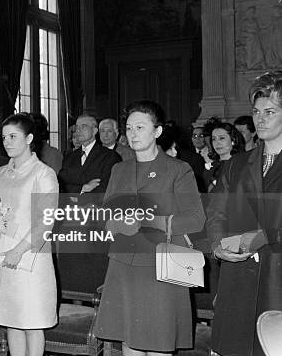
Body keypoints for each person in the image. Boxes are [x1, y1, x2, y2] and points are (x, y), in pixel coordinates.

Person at [94, 100, 205, 355]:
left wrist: (149, 220)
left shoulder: (178, 169)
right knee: (128, 340)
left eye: (140, 128)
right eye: (130, 128)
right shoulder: (119, 169)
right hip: (123, 263)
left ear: (157, 131)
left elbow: (196, 219)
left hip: (161, 264)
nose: (133, 134)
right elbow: (105, 217)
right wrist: (118, 223)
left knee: (159, 343)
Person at [206, 71, 282, 356]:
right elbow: (216, 214)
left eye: (270, 111)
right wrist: (218, 245)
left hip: (277, 279)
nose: (260, 119)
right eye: (256, 111)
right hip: (237, 279)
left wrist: (262, 236)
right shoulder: (237, 164)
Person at [0, 112, 58, 356]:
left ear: (29, 138)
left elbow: (46, 222)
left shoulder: (43, 174)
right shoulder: (0, 173)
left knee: (31, 322)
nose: (8, 142)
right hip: (1, 254)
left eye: (13, 136)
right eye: (4, 137)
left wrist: (18, 250)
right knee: (11, 320)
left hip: (30, 257)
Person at [58, 115, 121, 195]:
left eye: (83, 127)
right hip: (70, 206)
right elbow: (61, 185)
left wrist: (76, 194)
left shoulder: (110, 156)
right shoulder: (69, 157)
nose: (78, 130)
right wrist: (83, 188)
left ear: (94, 131)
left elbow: (107, 188)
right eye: (77, 127)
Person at [203, 122, 244, 192]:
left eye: (221, 138)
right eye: (214, 139)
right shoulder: (210, 167)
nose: (217, 143)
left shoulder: (242, 165)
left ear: (233, 140)